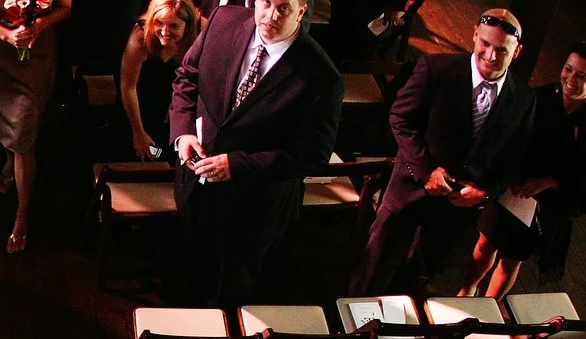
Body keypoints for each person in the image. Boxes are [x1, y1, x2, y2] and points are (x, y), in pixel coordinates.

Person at [349, 8, 536, 296]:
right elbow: (400, 118)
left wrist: (486, 192)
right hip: (411, 187)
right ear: (475, 35)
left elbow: (517, 155)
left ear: (517, 50)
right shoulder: (435, 68)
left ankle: (398, 329)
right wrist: (426, 171)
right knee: (376, 263)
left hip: (457, 206)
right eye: (485, 44)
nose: (490, 55)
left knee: (420, 271)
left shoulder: (524, 98)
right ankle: (354, 329)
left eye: (501, 49)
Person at [169, 0, 343, 306]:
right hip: (194, 187)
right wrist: (182, 133)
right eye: (266, 3)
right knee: (188, 270)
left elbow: (313, 154)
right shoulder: (223, 21)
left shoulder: (322, 78)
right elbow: (188, 77)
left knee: (230, 290)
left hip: (252, 207)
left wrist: (236, 165)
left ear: (302, 12)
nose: (271, 16)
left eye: (284, 8)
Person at [459, 41, 586, 298]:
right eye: (568, 69)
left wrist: (550, 182)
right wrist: (511, 173)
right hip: (513, 186)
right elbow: (510, 137)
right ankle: (467, 291)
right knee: (485, 242)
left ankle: (488, 305)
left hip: (544, 203)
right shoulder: (538, 97)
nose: (570, 79)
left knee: (511, 258)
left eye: (581, 76)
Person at [0, 0, 72, 253]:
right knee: (2, 126)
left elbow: (65, 9)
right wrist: (6, 34)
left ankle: (22, 218)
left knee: (23, 133)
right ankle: (8, 161)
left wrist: (40, 24)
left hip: (35, 55)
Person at [119, 0, 201, 162]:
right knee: (145, 154)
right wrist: (138, 133)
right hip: (139, 105)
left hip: (178, 104)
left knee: (173, 157)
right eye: (159, 23)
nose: (165, 31)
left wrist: (179, 110)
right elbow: (128, 87)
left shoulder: (201, 30)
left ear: (187, 25)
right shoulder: (140, 35)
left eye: (174, 26)